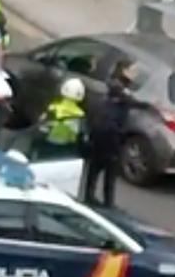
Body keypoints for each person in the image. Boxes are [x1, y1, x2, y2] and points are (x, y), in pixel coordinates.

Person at [82, 59, 137, 207]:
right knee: (108, 168)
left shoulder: (114, 86)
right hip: (110, 134)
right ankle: (105, 202)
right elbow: (129, 101)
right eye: (132, 69)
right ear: (124, 71)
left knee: (98, 167)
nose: (136, 73)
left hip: (103, 131)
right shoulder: (119, 89)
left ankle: (91, 197)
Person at [38, 78, 86, 157]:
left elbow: (42, 128)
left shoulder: (53, 107)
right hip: (64, 149)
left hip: (48, 144)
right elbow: (76, 135)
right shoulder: (80, 114)